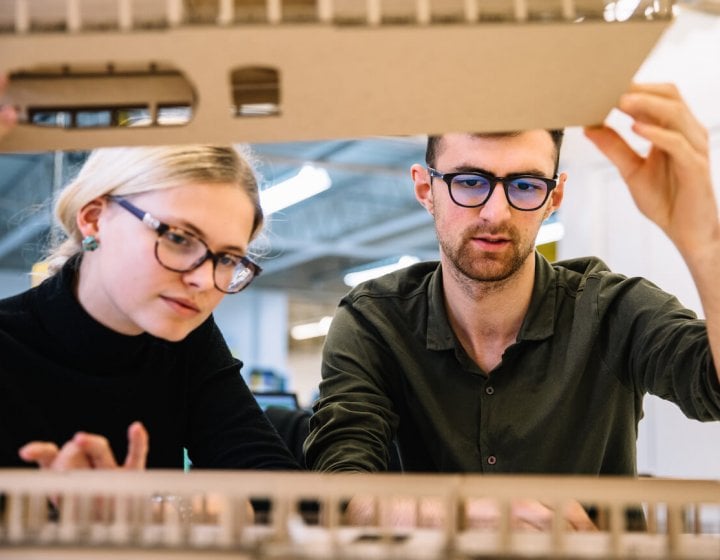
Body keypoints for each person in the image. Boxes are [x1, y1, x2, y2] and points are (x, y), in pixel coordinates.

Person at [304, 83, 720, 524]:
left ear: (554, 198)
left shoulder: (612, 310)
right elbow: (340, 489)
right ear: (426, 188)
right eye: (469, 182)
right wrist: (470, 515)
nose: (496, 213)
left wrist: (705, 242)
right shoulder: (374, 321)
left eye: (524, 186)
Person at [0, 133, 299, 471]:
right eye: (178, 238)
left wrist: (167, 511)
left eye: (228, 259)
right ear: (94, 218)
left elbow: (268, 477)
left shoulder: (189, 340)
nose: (203, 280)